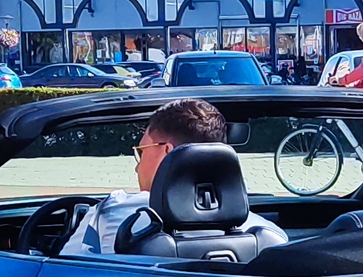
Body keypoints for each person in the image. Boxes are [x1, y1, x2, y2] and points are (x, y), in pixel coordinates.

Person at [62, 97, 284, 258]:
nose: (137, 168)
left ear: (166, 151)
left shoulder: (112, 214)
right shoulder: (270, 237)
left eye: (142, 151)